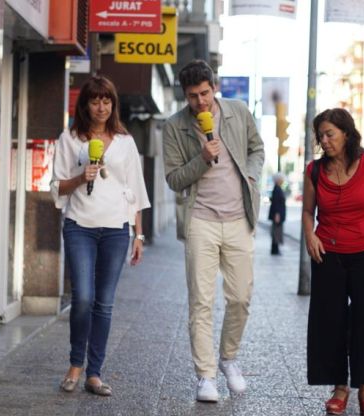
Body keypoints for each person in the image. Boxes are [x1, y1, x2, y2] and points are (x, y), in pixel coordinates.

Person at [162, 59, 265, 402]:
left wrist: (250, 175)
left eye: (204, 93)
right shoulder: (174, 126)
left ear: (214, 87)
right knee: (201, 302)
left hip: (238, 219)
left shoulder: (237, 112)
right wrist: (202, 158)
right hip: (201, 221)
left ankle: (228, 358)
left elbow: (256, 148)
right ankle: (205, 375)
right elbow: (175, 179)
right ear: (185, 96)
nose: (200, 102)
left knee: (240, 297)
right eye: (193, 97)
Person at [51, 75, 150, 395]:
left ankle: (94, 373)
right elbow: (57, 187)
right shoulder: (70, 139)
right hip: (79, 224)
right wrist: (82, 177)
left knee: (104, 303)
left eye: (107, 100)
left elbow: (134, 190)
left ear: (113, 104)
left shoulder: (125, 141)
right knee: (82, 298)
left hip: (116, 229)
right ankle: (75, 364)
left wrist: (139, 236)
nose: (101, 107)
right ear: (85, 105)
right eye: (95, 101)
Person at [303, 108, 364, 416]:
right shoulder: (314, 170)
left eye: (330, 134)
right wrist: (309, 236)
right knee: (332, 320)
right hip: (327, 253)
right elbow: (307, 211)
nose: (324, 141)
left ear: (346, 133)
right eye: (321, 136)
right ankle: (340, 386)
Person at [268, 172, 286, 255]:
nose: (283, 180)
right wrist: (277, 214)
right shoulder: (277, 189)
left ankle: (275, 249)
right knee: (276, 232)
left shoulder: (277, 188)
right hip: (277, 215)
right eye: (281, 179)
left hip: (278, 214)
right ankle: (275, 250)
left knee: (276, 232)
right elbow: (276, 203)